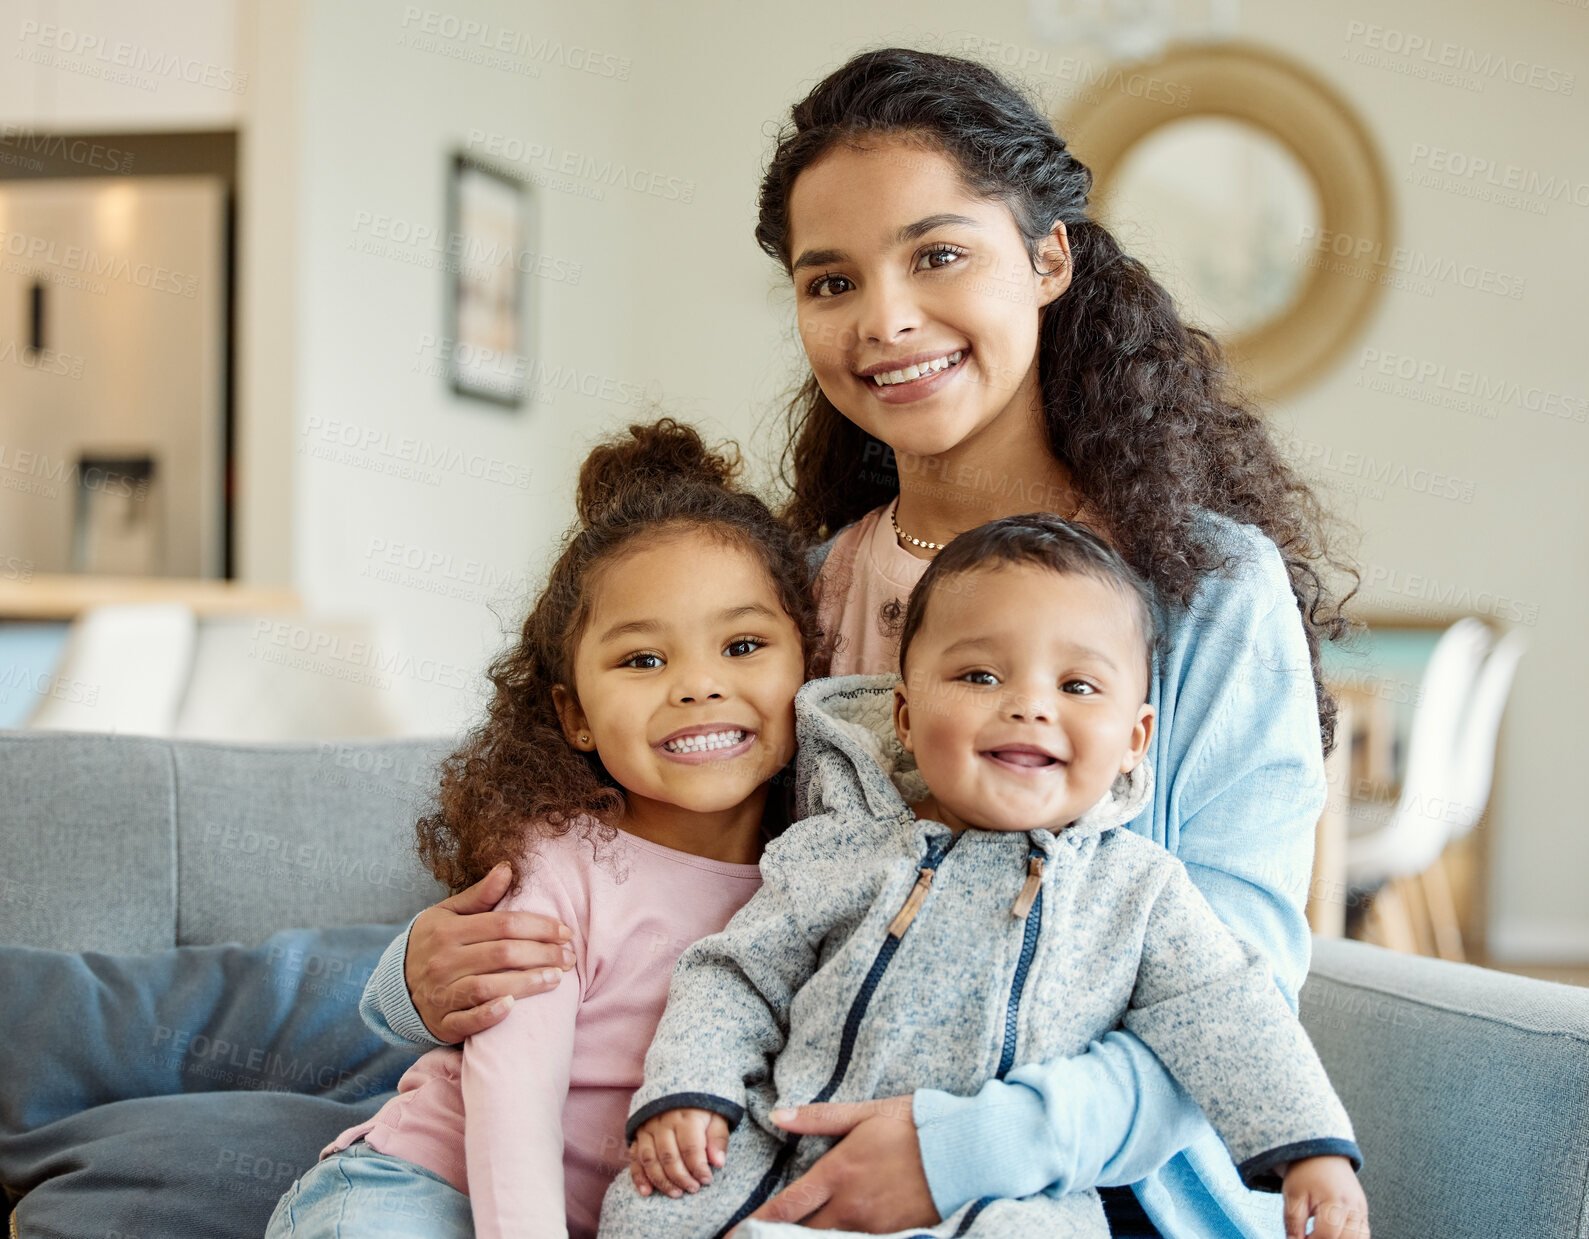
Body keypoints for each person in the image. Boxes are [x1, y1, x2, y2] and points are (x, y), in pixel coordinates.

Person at [363, 47, 1357, 1239]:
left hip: (1088, 1196)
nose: (885, 321)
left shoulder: (1205, 590)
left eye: (938, 255)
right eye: (830, 282)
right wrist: (411, 985)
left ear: (1047, 259)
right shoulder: (802, 593)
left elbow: (1239, 995)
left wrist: (959, 1152)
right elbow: (655, 886)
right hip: (768, 1175)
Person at [599, 515, 1368, 1239]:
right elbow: (735, 975)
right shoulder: (837, 847)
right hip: (790, 1146)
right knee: (652, 1203)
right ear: (903, 716)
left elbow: (1232, 1011)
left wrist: (1313, 1150)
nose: (1028, 705)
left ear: (1135, 738)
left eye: (1077, 686)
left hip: (1005, 1191)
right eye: (978, 675)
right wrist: (689, 1091)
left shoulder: (1140, 890)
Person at [264, 419, 822, 1238]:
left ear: (808, 661)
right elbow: (514, 1109)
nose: (700, 685)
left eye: (742, 644)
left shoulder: (820, 868)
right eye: (642, 660)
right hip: (426, 1184)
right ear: (575, 714)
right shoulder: (558, 864)